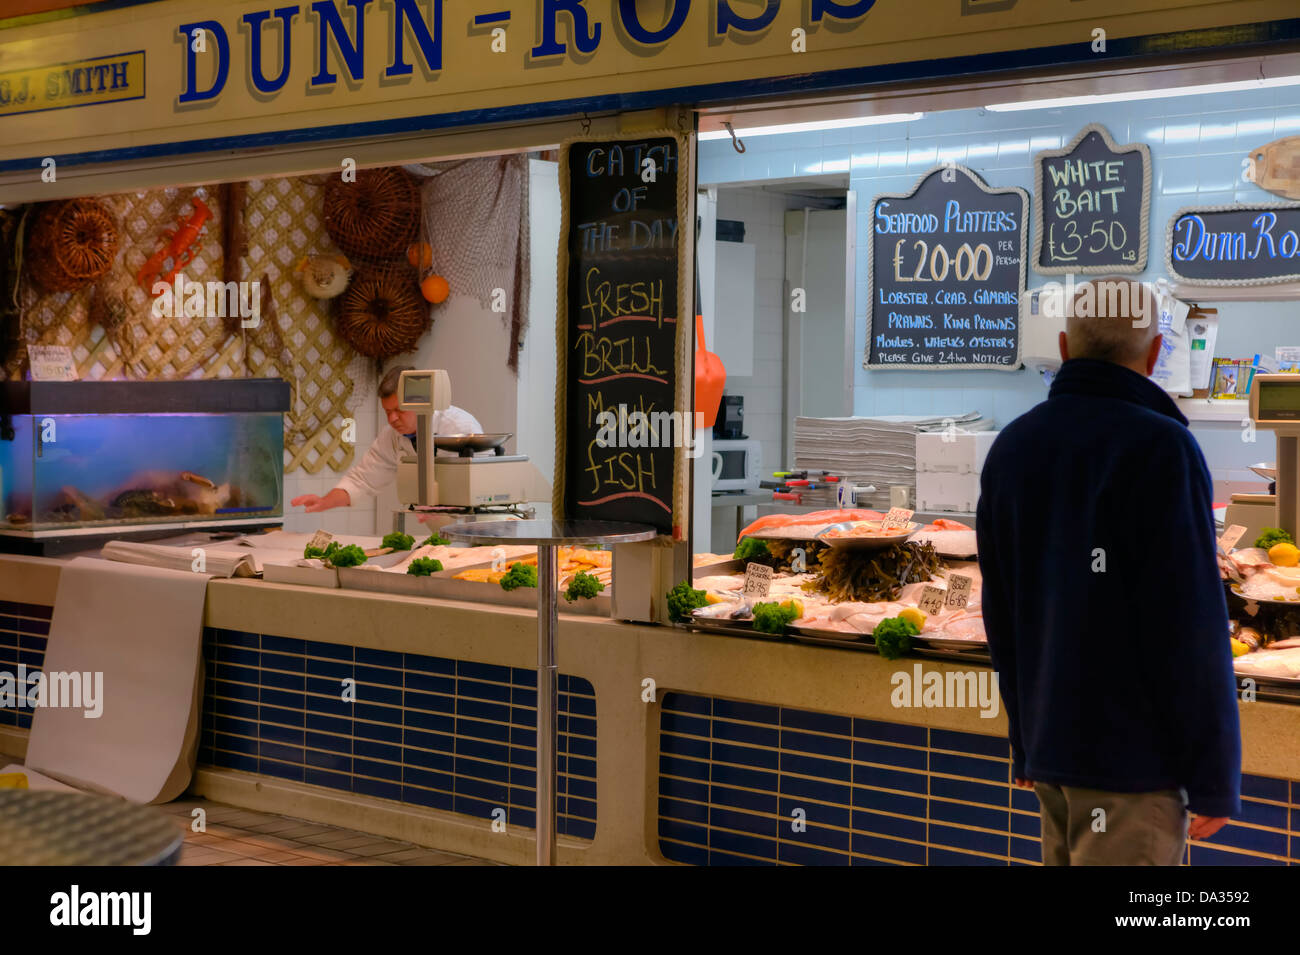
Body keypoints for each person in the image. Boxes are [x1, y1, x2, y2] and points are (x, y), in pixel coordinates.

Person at [976, 278, 1240, 866]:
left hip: (1053, 757)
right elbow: (1191, 621)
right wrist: (1215, 772)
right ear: (1152, 355)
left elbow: (1003, 615)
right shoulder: (1163, 448)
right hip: (1133, 770)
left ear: (1066, 348)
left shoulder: (1013, 446)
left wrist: (1025, 740)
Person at [291, 365, 483, 513]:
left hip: (474, 526)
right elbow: (362, 480)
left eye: (399, 410)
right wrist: (324, 502)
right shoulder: (392, 436)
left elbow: (480, 489)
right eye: (387, 412)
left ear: (420, 402)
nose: (392, 419)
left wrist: (443, 506)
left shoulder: (459, 427)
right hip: (434, 527)